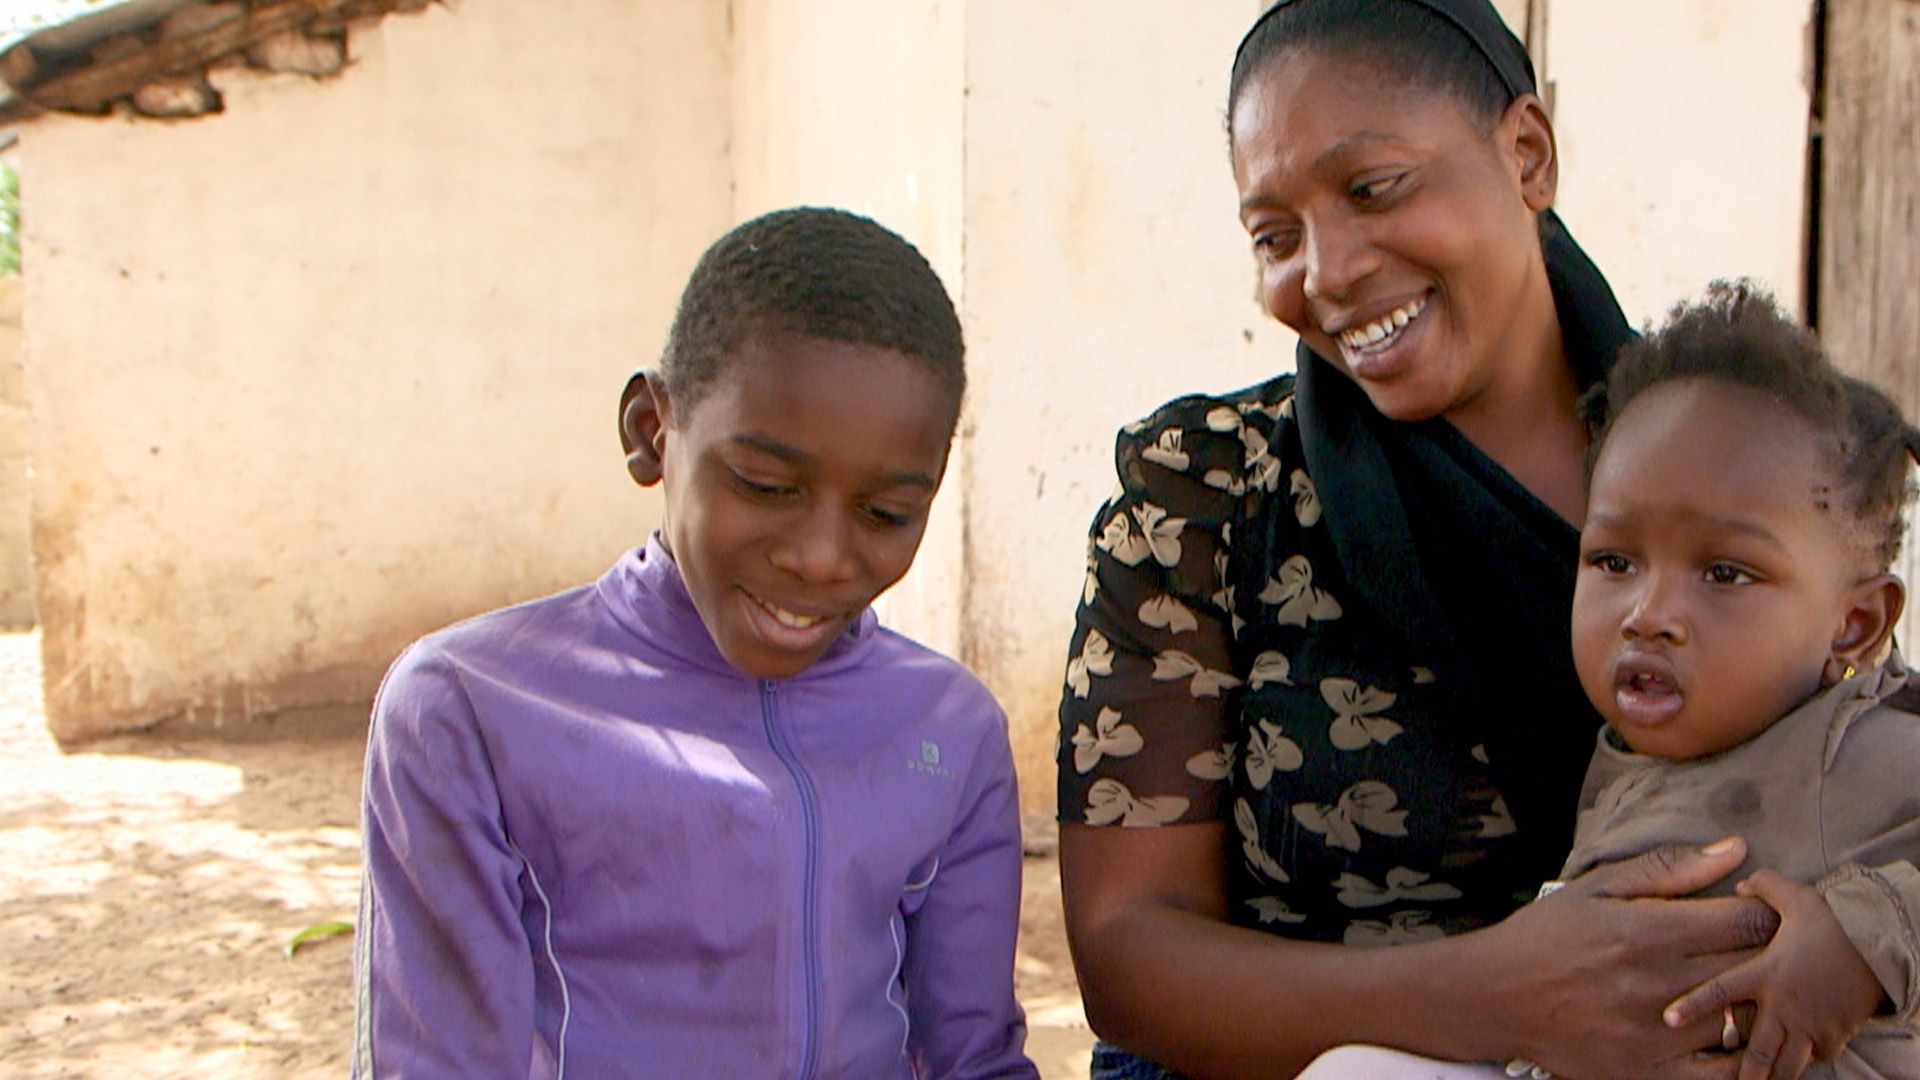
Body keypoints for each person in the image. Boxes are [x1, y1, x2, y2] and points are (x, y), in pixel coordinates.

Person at [1055, 3, 1896, 1078]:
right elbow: (1128, 957)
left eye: (1374, 189)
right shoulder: (1206, 497)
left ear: (1527, 154)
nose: (1328, 271)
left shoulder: (1738, 470)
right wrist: (1500, 997)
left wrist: (1859, 940)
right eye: (1275, 236)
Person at [353, 207, 1036, 1079]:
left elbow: (973, 1060)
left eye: (886, 512)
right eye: (766, 484)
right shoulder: (472, 711)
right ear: (651, 430)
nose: (820, 557)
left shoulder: (947, 728)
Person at [1304, 284, 1920, 1080]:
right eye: (1615, 561)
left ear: (1855, 624)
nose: (1648, 614)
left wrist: (1864, 939)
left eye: (1725, 573)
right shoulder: (1635, 757)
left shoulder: (1859, 746)